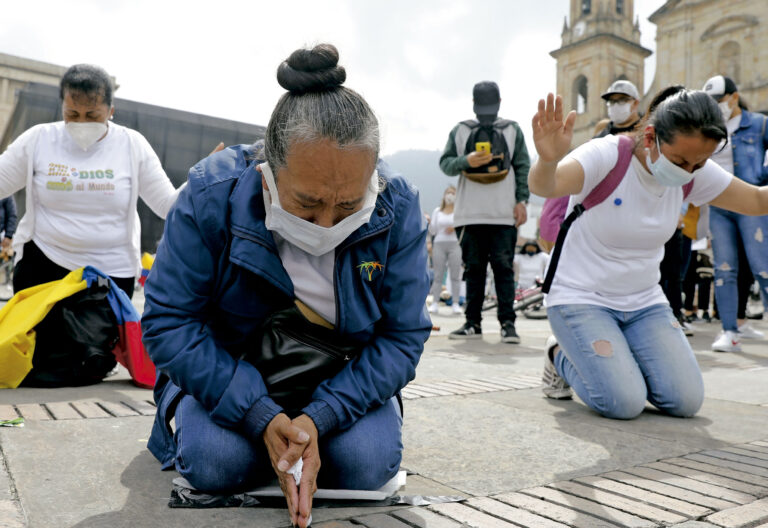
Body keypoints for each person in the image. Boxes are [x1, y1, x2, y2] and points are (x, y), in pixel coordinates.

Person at [141, 44, 430, 528]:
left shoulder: (397, 207)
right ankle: (244, 433)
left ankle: (300, 441)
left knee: (366, 467)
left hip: (339, 378)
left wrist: (321, 416)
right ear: (268, 173)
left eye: (348, 205)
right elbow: (170, 323)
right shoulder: (210, 195)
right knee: (216, 464)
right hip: (232, 368)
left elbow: (402, 338)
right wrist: (260, 415)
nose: (326, 223)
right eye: (306, 203)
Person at [530, 87, 768, 420]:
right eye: (680, 161)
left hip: (644, 302)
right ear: (651, 136)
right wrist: (548, 158)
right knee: (622, 403)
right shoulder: (607, 154)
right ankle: (559, 353)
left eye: (699, 164)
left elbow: (756, 200)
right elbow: (547, 186)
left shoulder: (693, 171)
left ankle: (617, 362)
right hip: (580, 297)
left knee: (685, 401)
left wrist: (695, 168)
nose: (688, 172)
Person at [0, 64, 185, 299]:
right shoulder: (39, 140)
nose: (81, 123)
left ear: (110, 111)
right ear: (63, 108)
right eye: (72, 115)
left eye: (92, 115)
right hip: (44, 267)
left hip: (109, 276)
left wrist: (202, 177)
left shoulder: (131, 145)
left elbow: (166, 205)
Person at [439, 81, 530, 343]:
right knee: (474, 269)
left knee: (503, 268)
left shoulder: (512, 129)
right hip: (469, 213)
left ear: (500, 103)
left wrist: (522, 199)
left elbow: (523, 165)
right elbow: (446, 164)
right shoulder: (461, 130)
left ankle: (508, 324)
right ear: (473, 105)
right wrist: (466, 161)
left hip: (504, 213)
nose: (486, 113)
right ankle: (472, 322)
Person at [702, 75, 768, 351]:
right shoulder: (708, 129)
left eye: (719, 100)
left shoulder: (760, 124)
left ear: (733, 97)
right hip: (719, 205)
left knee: (762, 266)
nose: (716, 106)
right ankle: (729, 331)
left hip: (752, 201)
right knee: (724, 268)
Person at [428, 186, 463, 315]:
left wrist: (454, 228)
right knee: (438, 275)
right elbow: (433, 230)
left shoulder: (459, 211)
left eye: (453, 193)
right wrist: (430, 223)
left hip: (455, 244)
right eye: (448, 193)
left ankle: (455, 303)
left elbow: (463, 226)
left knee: (455, 275)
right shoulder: (438, 211)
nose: (450, 195)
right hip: (439, 243)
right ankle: (435, 303)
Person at [0, 196, 17, 300]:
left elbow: (12, 215)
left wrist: (8, 235)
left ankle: (7, 280)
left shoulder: (7, 194)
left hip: (3, 235)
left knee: (7, 260)